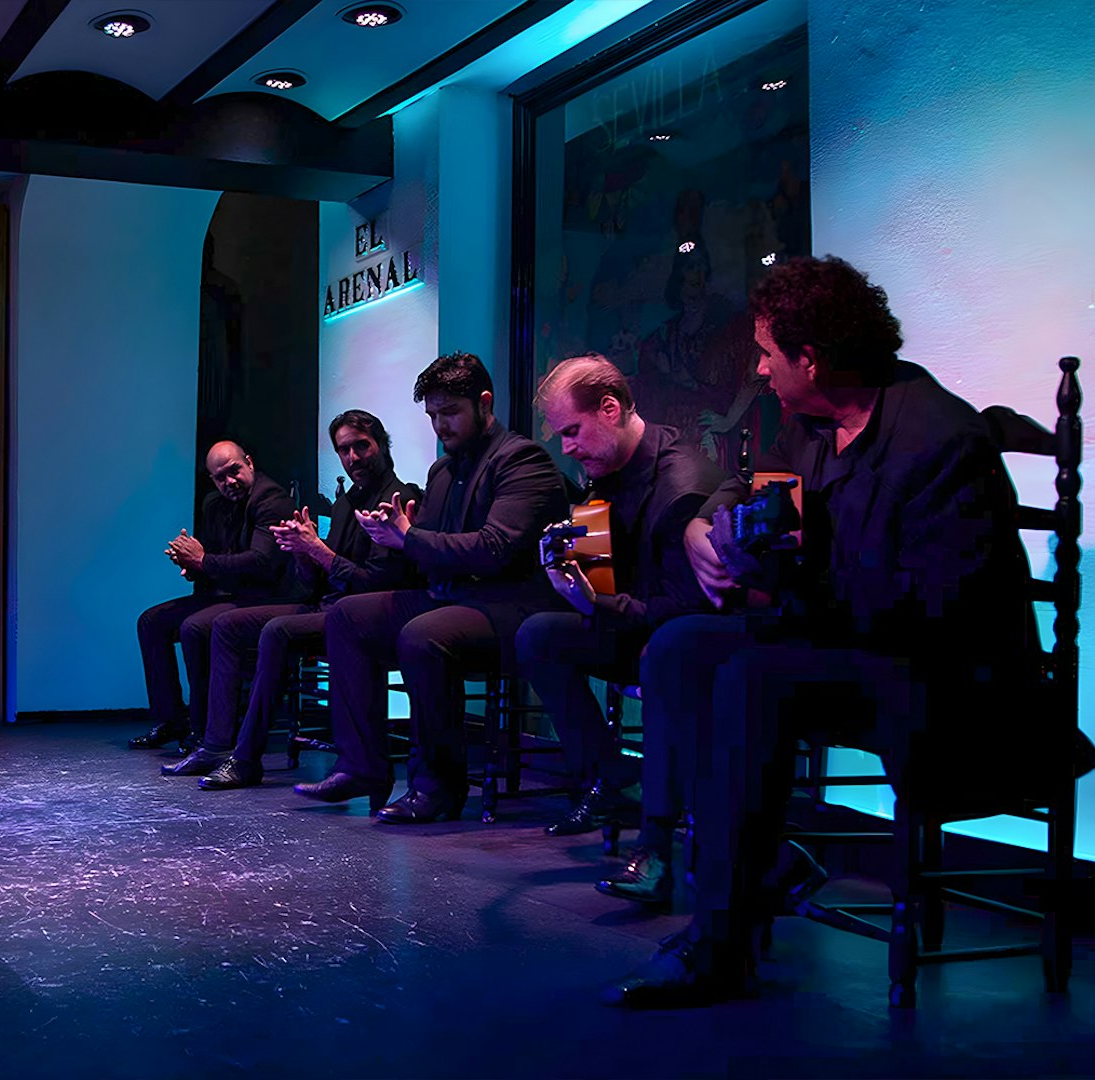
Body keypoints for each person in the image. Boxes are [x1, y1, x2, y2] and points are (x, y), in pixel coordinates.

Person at [604, 255, 1087, 1007]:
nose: (761, 372)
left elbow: (931, 611)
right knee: (680, 647)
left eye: (768, 354)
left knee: (754, 675)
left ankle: (721, 942)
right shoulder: (818, 425)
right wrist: (707, 528)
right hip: (851, 643)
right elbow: (751, 481)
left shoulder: (937, 442)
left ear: (811, 357)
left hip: (945, 677)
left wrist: (778, 594)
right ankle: (755, 868)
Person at [294, 352, 569, 821]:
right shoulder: (442, 472)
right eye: (433, 416)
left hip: (511, 605)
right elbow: (427, 546)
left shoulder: (522, 460)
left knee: (422, 635)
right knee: (347, 616)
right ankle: (361, 765)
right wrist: (398, 537)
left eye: (450, 413)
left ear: (484, 404)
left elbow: (496, 548)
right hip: (454, 596)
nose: (441, 425)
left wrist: (412, 537)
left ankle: (438, 787)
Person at [514, 354, 730, 873]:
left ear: (609, 409)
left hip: (681, 640)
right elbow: (608, 580)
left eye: (572, 431)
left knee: (665, 652)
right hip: (637, 627)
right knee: (537, 634)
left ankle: (655, 836)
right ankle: (609, 775)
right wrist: (575, 585)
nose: (565, 449)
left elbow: (683, 610)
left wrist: (594, 602)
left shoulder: (682, 487)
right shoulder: (606, 471)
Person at [160, 411, 421, 785]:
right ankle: (215, 746)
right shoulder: (346, 503)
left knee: (276, 632)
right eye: (344, 450)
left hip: (365, 613)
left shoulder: (399, 497)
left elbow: (374, 583)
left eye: (361, 446)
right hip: (328, 605)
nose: (353, 458)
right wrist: (304, 554)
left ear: (382, 444)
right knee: (226, 625)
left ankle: (246, 758)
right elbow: (316, 582)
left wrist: (318, 551)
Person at [130, 440, 297, 750]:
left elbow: (262, 563)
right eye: (220, 478)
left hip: (268, 597)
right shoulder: (214, 504)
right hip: (231, 593)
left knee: (195, 627)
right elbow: (212, 557)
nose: (229, 482)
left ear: (248, 462)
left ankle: (203, 729)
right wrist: (191, 565)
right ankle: (171, 720)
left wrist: (203, 561)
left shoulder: (271, 500)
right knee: (151, 622)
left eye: (234, 471)